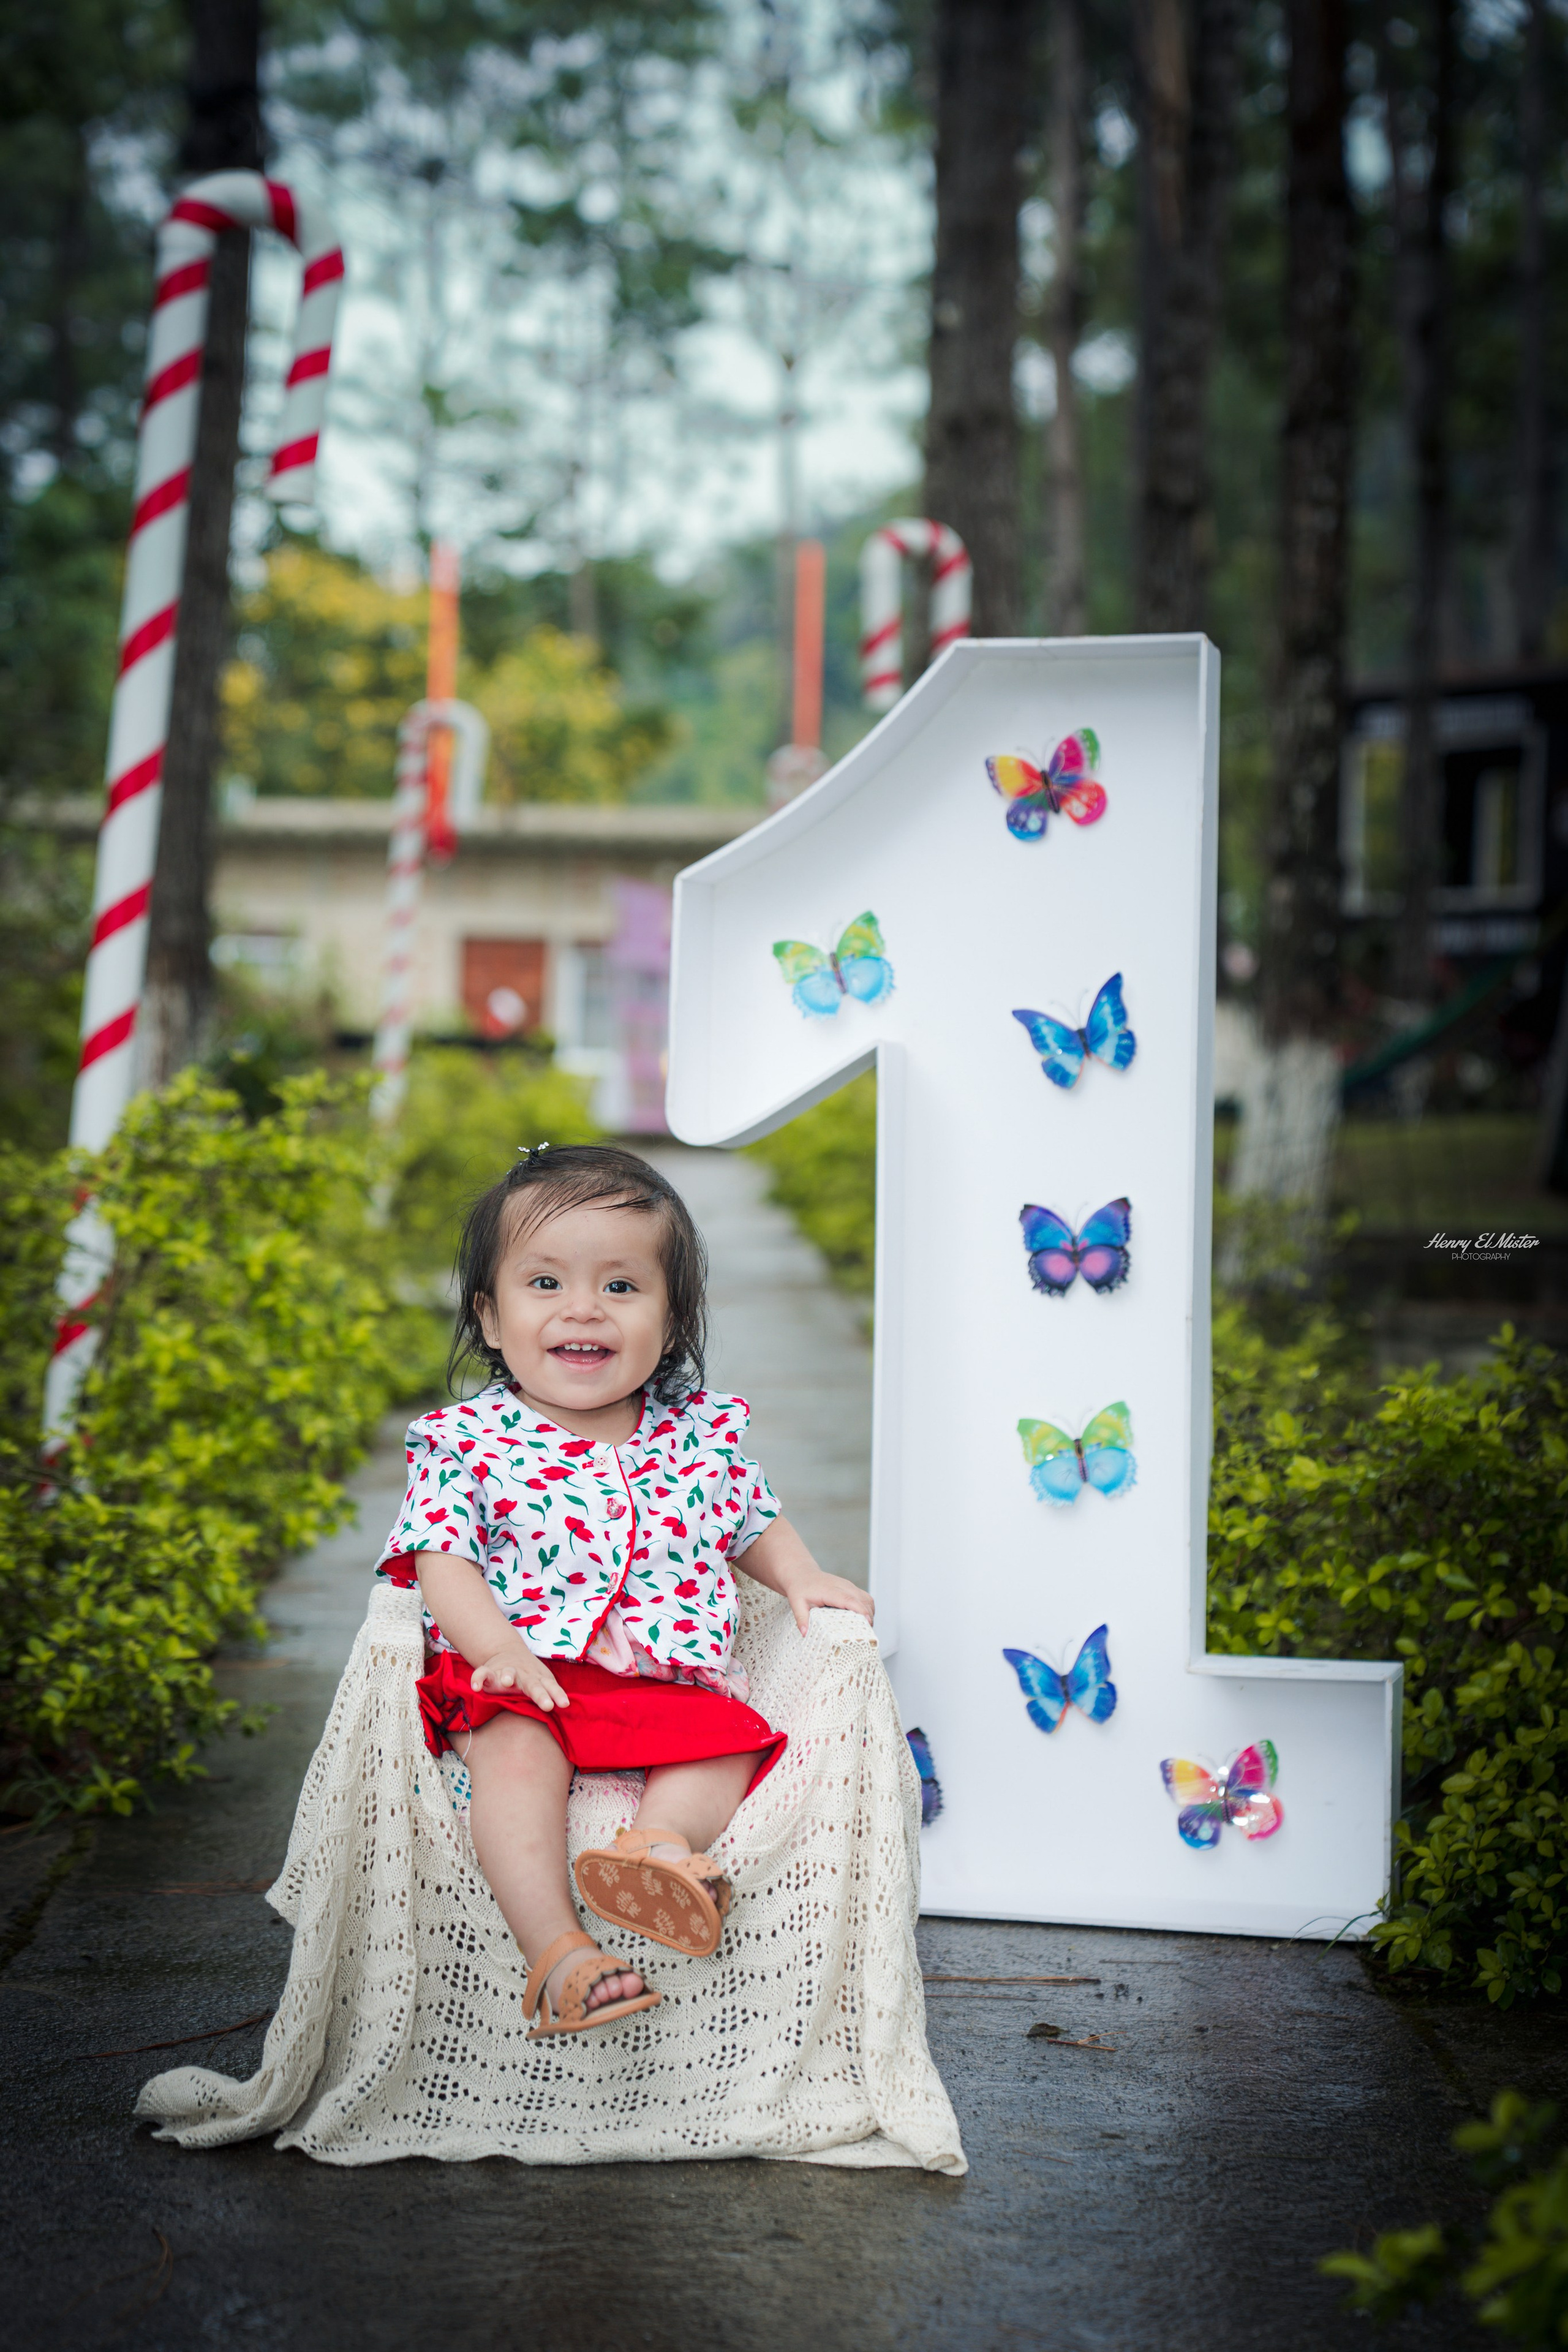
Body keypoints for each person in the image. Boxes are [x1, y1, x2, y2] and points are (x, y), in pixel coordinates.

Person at [377, 1140, 874, 2043]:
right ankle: (560, 1952)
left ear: (673, 1320)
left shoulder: (696, 1435)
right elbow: (438, 1558)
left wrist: (800, 1576)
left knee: (728, 1740)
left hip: (656, 1678)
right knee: (516, 1768)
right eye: (544, 1285)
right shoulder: (467, 1441)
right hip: (527, 1677)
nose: (583, 1310)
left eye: (620, 1287)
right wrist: (497, 1649)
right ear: (489, 1319)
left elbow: (750, 1520)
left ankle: (652, 1849)